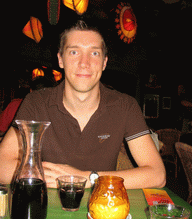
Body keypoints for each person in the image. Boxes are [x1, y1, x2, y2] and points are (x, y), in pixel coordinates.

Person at [0, 20, 166, 189]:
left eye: (94, 53)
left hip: (103, 209)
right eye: (74, 52)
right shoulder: (36, 102)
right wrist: (46, 175)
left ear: (104, 62)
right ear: (60, 60)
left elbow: (157, 175)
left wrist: (85, 178)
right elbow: (1, 166)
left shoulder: (125, 105)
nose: (84, 63)